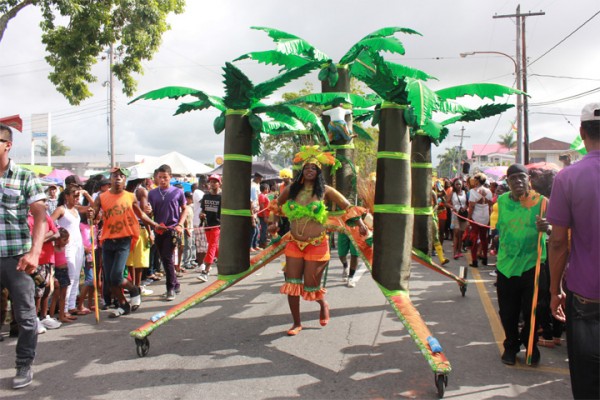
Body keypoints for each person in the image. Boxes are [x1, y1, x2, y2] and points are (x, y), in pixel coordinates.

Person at [269, 146, 367, 336]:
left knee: (310, 285)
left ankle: (322, 303)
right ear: (302, 171)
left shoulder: (325, 191)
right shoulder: (291, 190)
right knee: (292, 283)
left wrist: (361, 223)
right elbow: (276, 204)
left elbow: (347, 207)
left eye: (314, 168)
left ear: (318, 172)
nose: (310, 171)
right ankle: (296, 323)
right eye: (307, 168)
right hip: (294, 243)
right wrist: (273, 224)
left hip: (317, 243)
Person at [547, 102, 600, 400]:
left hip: (587, 300)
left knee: (588, 385)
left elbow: (558, 242)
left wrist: (554, 290)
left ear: (582, 132)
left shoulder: (567, 177)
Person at [0, 123, 48, 389]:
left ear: (7, 145)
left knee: (27, 319)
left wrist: (35, 252)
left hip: (17, 259)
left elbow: (41, 215)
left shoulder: (24, 177)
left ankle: (23, 364)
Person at [495, 163, 550, 366]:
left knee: (534, 311)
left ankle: (530, 344)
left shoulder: (542, 202)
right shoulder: (501, 201)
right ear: (507, 182)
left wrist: (549, 227)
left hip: (532, 266)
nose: (518, 181)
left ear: (529, 179)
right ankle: (511, 346)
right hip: (506, 266)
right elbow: (500, 226)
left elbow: (558, 229)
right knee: (508, 312)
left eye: (521, 177)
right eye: (513, 178)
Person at [89, 167, 163, 317]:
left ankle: (135, 290)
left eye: (121, 176)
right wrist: (91, 213)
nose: (118, 178)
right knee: (109, 279)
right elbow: (93, 215)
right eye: (115, 175)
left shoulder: (130, 196)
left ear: (125, 180)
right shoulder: (102, 197)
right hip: (108, 240)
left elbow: (140, 214)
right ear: (110, 179)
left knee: (116, 275)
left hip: (124, 239)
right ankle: (123, 305)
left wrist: (155, 225)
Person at [148, 164, 186, 301]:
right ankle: (176, 284)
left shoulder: (178, 192)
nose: (162, 180)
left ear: (170, 177)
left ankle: (170, 288)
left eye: (165, 177)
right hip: (158, 230)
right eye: (160, 177)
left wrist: (180, 225)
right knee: (164, 259)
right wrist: (149, 213)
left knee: (167, 257)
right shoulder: (152, 193)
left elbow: (185, 209)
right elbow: (150, 213)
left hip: (172, 230)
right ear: (156, 178)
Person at [51, 184, 85, 317]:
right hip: (67, 246)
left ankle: (71, 306)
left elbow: (92, 207)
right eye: (75, 195)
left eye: (78, 196)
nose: (77, 198)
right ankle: (63, 309)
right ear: (66, 196)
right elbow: (49, 222)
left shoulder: (76, 209)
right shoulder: (61, 209)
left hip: (79, 246)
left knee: (76, 276)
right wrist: (58, 236)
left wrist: (86, 195)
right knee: (69, 277)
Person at [197, 174, 222, 282]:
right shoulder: (206, 196)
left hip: (217, 225)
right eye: (211, 181)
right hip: (207, 225)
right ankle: (223, 265)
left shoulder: (222, 197)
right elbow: (202, 210)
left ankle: (205, 271)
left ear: (219, 183)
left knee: (211, 246)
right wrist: (201, 215)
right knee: (215, 247)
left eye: (215, 181)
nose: (212, 183)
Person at [467, 173, 492, 267]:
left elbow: (471, 206)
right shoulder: (488, 191)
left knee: (474, 238)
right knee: (484, 238)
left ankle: (474, 260)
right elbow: (490, 204)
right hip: (485, 216)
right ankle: (485, 258)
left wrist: (468, 219)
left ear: (477, 181)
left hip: (476, 217)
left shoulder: (473, 191)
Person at [448, 178, 468, 260]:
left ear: (462, 185)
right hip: (455, 215)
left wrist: (465, 208)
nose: (458, 186)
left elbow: (467, 203)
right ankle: (455, 252)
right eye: (457, 184)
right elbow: (446, 202)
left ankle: (459, 251)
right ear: (454, 185)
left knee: (461, 234)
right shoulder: (452, 193)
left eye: (460, 184)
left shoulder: (465, 192)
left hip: (463, 215)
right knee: (456, 233)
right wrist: (453, 207)